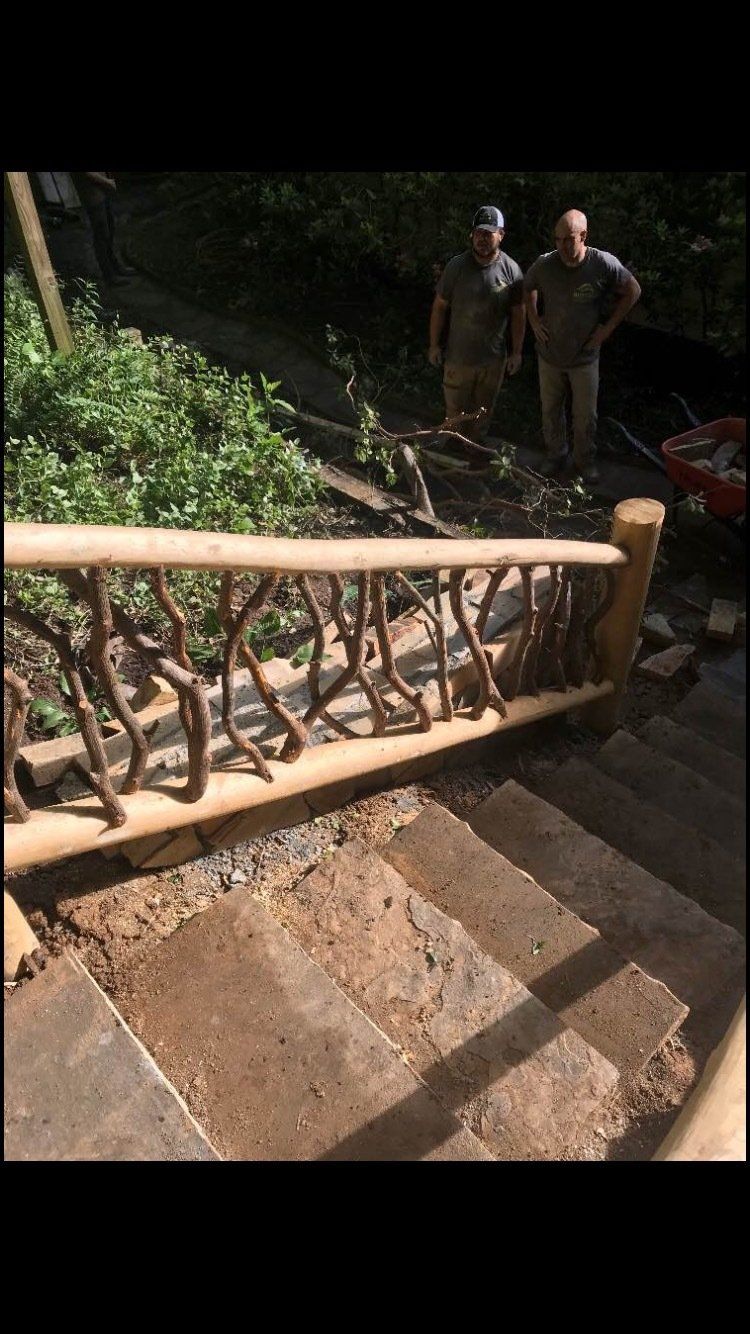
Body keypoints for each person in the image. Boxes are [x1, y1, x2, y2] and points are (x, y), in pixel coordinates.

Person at [524, 209, 641, 484]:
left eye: (569, 239)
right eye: (558, 239)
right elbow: (527, 286)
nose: (563, 246)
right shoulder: (545, 264)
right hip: (550, 355)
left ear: (583, 236)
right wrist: (534, 320)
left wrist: (607, 329)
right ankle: (555, 455)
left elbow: (633, 290)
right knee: (550, 410)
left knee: (585, 416)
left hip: (585, 357)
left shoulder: (602, 264)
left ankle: (584, 461)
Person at [428, 205, 525, 447]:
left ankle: (474, 451)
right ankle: (450, 453)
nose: (482, 238)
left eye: (489, 233)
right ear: (472, 234)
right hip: (458, 357)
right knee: (454, 413)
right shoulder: (456, 267)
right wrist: (433, 345)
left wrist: (516, 352)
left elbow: (519, 314)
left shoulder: (511, 271)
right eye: (479, 232)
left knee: (483, 412)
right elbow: (439, 306)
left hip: (492, 360)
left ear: (501, 235)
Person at [70, 172, 136, 287]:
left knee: (109, 231)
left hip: (102, 192)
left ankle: (116, 266)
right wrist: (107, 182)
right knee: (101, 235)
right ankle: (109, 276)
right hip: (92, 196)